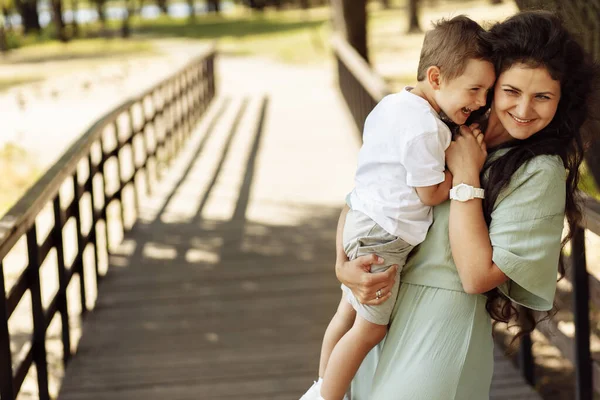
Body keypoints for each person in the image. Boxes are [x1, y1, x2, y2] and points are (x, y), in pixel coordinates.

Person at [335, 10, 598, 399]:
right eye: (511, 91)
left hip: (438, 332)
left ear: (561, 101)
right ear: (490, 85)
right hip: (379, 313)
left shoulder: (538, 170)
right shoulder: (443, 127)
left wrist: (466, 178)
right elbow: (366, 194)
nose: (524, 111)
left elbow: (477, 276)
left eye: (543, 96)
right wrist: (343, 265)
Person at [300, 16, 496, 400]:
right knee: (370, 328)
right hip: (384, 236)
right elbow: (428, 194)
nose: (481, 102)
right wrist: (461, 169)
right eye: (474, 90)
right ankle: (328, 397)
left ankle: (321, 385)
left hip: (363, 220)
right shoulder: (427, 129)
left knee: (346, 315)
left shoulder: (393, 105)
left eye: (487, 92)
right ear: (436, 78)